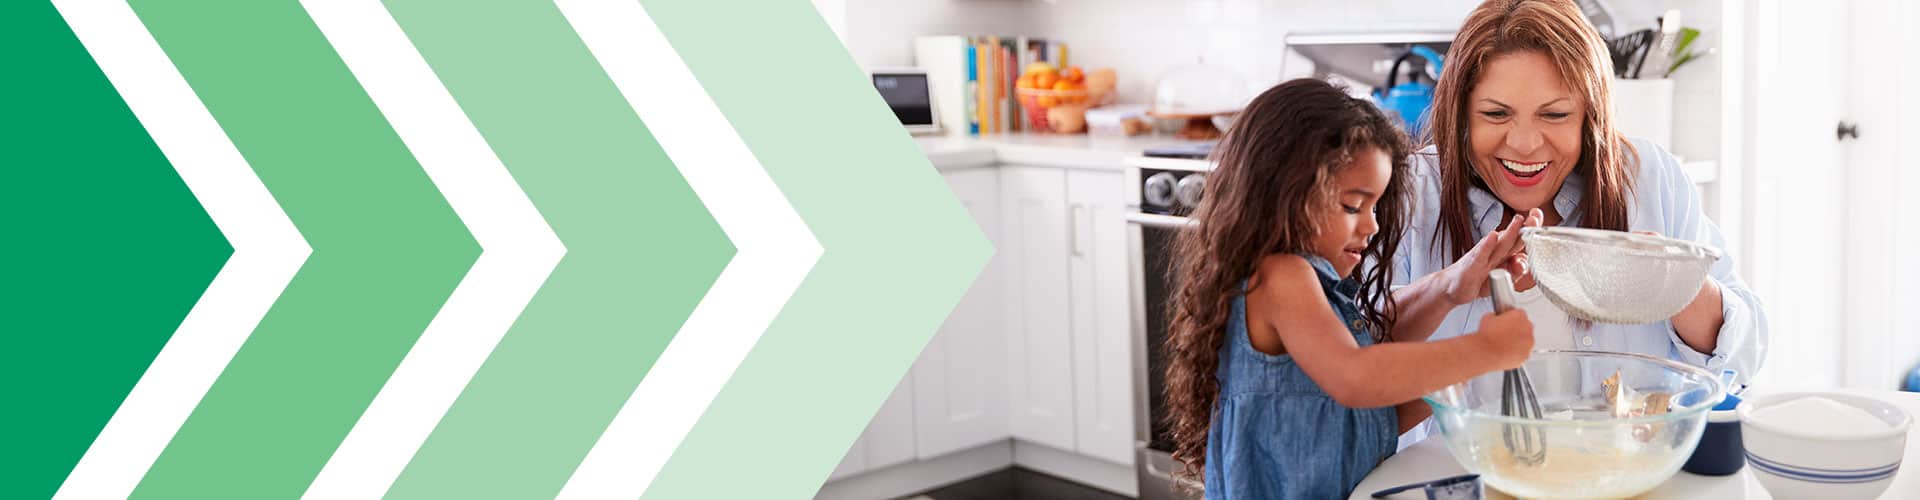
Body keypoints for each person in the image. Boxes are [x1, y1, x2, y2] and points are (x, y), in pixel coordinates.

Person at [1160, 78, 1535, 499]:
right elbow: (1357, 379)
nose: (1372, 225)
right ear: (1286, 191)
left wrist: (1451, 294)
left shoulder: (1308, 288)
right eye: (1353, 205)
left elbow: (1362, 399)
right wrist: (1484, 351)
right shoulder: (1281, 277)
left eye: (1375, 206)